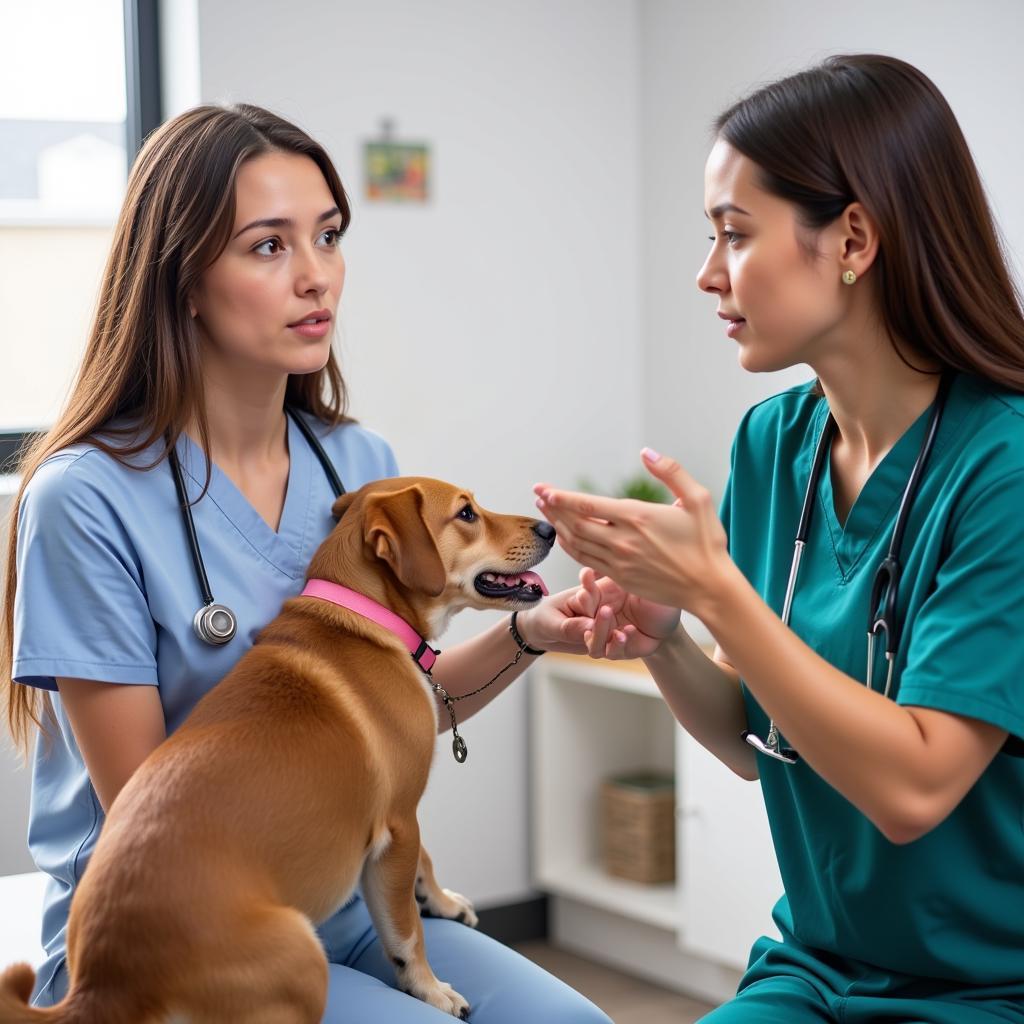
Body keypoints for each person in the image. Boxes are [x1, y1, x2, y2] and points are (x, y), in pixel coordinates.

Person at [1, 101, 612, 1023]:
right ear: (183, 282)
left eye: (327, 236)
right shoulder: (86, 499)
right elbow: (151, 815)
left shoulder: (357, 467)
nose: (316, 275)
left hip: (346, 900)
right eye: (268, 246)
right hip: (178, 935)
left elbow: (404, 699)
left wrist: (530, 632)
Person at [535, 54, 1024, 1023]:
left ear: (851, 238)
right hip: (814, 967)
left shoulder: (1002, 466)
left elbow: (915, 786)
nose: (706, 273)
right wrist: (666, 637)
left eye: (733, 233)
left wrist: (719, 596)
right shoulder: (773, 444)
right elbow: (765, 743)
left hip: (986, 991)